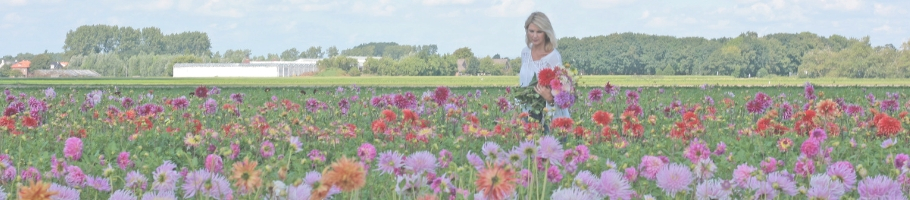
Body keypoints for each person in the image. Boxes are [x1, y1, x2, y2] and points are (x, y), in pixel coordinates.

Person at [518, 11, 571, 125]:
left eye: (539, 31)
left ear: (546, 33)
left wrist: (550, 98)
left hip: (548, 115)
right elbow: (522, 85)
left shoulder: (553, 56)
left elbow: (561, 90)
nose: (534, 36)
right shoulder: (525, 52)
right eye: (531, 31)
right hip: (527, 112)